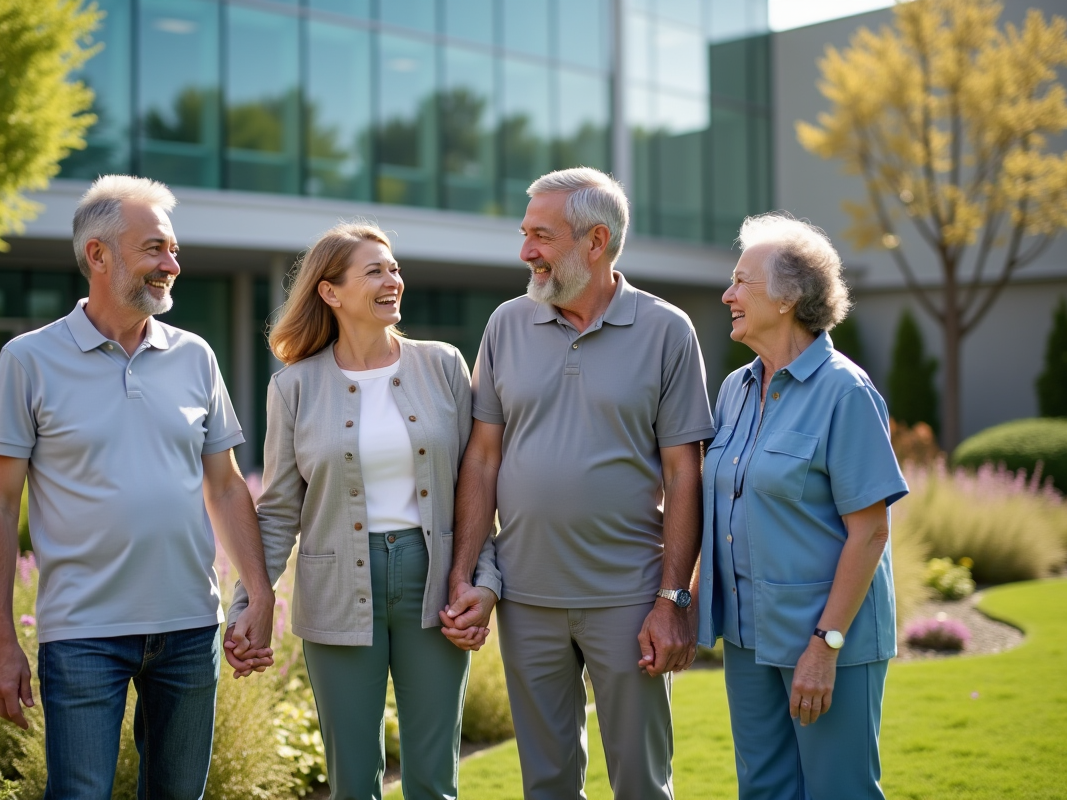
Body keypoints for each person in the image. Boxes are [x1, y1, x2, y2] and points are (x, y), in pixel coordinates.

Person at [0, 175, 275, 799]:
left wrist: (260, 593)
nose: (173, 265)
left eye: (172, 249)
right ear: (98, 255)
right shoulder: (28, 361)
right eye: (156, 249)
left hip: (191, 629)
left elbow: (222, 486)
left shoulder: (194, 355)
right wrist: (0, 642)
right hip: (82, 633)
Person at [444, 167, 717, 800]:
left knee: (642, 783)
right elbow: (482, 459)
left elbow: (684, 472)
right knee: (546, 783)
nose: (525, 252)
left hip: (629, 597)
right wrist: (465, 571)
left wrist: (674, 600)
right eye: (524, 233)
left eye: (540, 235)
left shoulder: (667, 330)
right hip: (527, 594)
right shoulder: (507, 323)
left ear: (596, 242)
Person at [225, 222, 500, 800]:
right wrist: (249, 603)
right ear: (331, 292)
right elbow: (277, 510)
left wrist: (484, 579)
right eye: (374, 270)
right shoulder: (294, 387)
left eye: (394, 267)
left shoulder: (444, 365)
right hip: (335, 587)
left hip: (436, 584)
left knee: (433, 777)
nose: (392, 280)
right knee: (353, 779)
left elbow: (478, 481)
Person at [699, 212, 909, 799]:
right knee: (763, 790)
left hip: (824, 639)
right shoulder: (735, 390)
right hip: (748, 637)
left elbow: (870, 532)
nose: (728, 294)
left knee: (838, 790)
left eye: (743, 281)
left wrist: (825, 646)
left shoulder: (846, 392)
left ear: (789, 297)